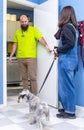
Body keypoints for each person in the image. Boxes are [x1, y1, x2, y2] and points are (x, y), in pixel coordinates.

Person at [9, 15, 52, 96]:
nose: (24, 23)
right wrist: (11, 56)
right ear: (20, 22)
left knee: (32, 77)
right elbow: (15, 44)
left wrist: (47, 46)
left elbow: (40, 39)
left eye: (26, 21)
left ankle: (35, 95)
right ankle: (26, 94)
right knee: (24, 78)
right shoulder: (17, 32)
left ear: (28, 21)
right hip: (20, 58)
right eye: (22, 22)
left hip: (31, 58)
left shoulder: (34, 30)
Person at [54, 6, 79, 119]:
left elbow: (70, 44)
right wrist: (58, 49)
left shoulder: (67, 27)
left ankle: (70, 112)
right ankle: (67, 108)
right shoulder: (73, 27)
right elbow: (70, 43)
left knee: (67, 86)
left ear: (65, 14)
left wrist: (58, 50)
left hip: (67, 60)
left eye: (61, 14)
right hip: (71, 60)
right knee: (66, 86)